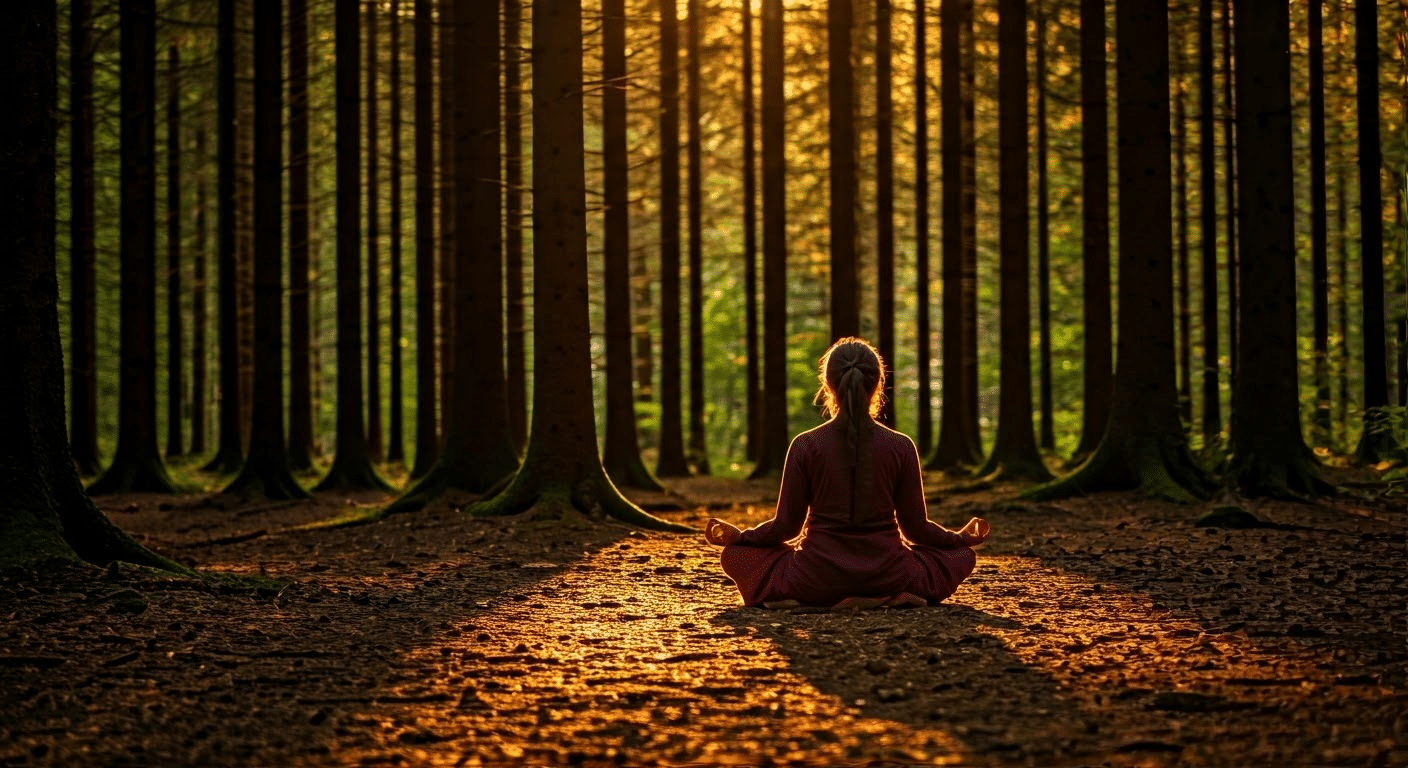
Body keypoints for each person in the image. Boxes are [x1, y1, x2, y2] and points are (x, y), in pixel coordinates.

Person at [705, 337, 990, 609]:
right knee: (962, 557)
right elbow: (915, 529)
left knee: (734, 556)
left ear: (828, 385)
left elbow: (786, 528)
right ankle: (886, 597)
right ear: (878, 384)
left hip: (813, 578)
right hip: (889, 576)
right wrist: (959, 540)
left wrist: (740, 537)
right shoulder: (900, 446)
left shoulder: (806, 445)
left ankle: (804, 600)